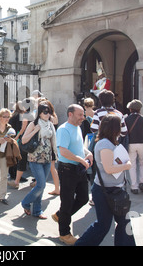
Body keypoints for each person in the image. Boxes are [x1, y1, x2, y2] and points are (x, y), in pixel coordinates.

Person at [75, 114, 136, 246]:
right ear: (114, 128)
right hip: (105, 191)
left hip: (115, 189)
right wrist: (127, 165)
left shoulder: (111, 141)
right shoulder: (104, 144)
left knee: (124, 223)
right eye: (119, 126)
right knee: (103, 225)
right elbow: (109, 168)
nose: (121, 128)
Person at [54, 104, 93, 245]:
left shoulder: (77, 127)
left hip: (78, 168)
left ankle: (61, 216)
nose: (83, 117)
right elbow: (63, 151)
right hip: (67, 170)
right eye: (80, 115)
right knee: (67, 201)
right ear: (70, 114)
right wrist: (80, 159)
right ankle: (64, 233)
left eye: (83, 114)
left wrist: (87, 153)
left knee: (83, 198)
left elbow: (79, 145)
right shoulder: (63, 130)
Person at [21, 102, 58, 218]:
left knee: (41, 185)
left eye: (49, 112)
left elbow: (53, 141)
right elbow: (23, 140)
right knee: (41, 184)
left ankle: (37, 211)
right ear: (40, 113)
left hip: (47, 158)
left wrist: (55, 156)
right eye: (45, 112)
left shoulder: (50, 124)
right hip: (35, 158)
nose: (48, 115)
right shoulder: (34, 124)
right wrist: (35, 130)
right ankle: (25, 203)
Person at [125, 99, 143, 194]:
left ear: (130, 109)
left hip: (131, 143)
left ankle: (134, 186)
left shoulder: (126, 119)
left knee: (132, 165)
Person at [8, 99, 32, 188]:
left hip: (12, 136)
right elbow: (21, 129)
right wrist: (17, 138)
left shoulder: (14, 114)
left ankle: (13, 175)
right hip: (17, 137)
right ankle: (16, 176)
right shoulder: (20, 115)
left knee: (14, 156)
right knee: (18, 157)